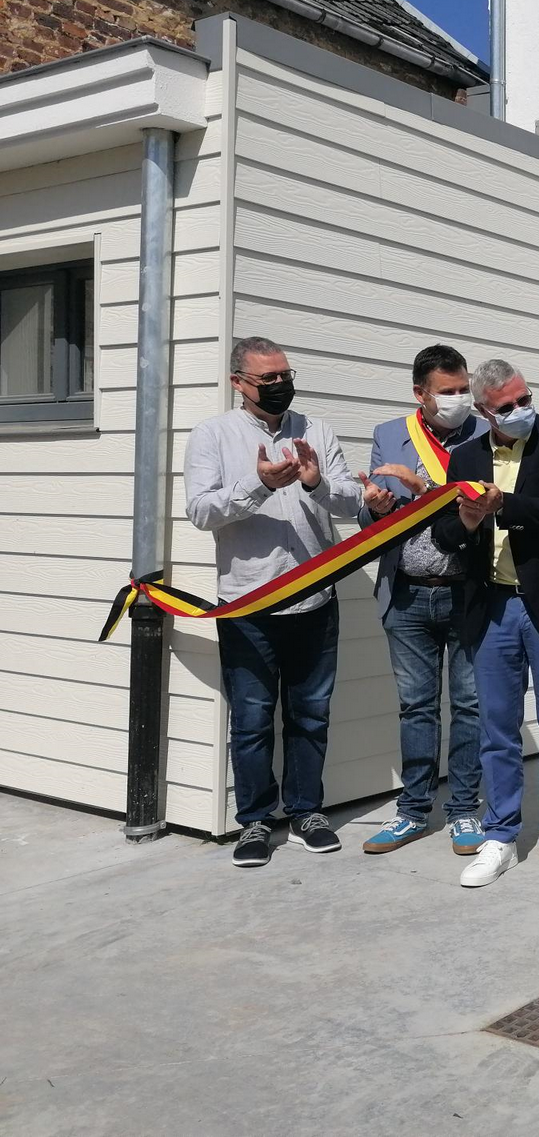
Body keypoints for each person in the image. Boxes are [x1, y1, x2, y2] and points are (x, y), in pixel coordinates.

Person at [184, 337, 372, 868]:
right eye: (267, 379)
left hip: (315, 599)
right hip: (248, 603)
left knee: (311, 714)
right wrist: (258, 485)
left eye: (285, 375)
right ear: (238, 382)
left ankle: (307, 812)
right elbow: (200, 511)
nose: (279, 385)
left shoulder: (317, 430)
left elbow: (352, 500)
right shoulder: (212, 435)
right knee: (251, 719)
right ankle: (255, 821)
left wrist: (316, 483)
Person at [431, 359, 539, 889]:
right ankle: (501, 834)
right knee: (497, 730)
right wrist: (467, 520)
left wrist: (503, 504)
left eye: (523, 398)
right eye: (506, 406)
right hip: (492, 606)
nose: (519, 410)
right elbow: (444, 534)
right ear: (483, 411)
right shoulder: (465, 456)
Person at [358, 345, 489, 857]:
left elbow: (485, 506)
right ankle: (413, 811)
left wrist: (425, 487)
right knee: (416, 708)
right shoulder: (390, 434)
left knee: (470, 706)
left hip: (467, 592)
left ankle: (463, 810)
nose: (459, 399)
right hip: (407, 592)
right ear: (421, 393)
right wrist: (376, 507)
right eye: (447, 392)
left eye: (464, 390)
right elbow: (373, 520)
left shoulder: (485, 435)